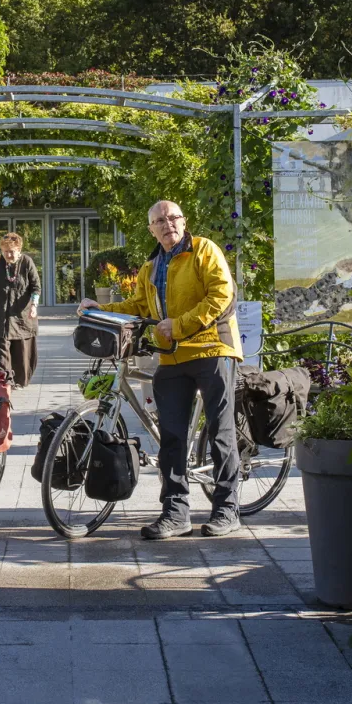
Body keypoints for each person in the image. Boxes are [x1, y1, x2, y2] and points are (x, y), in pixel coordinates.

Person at [78, 200, 243, 539]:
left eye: (173, 217)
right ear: (151, 229)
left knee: (220, 433)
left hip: (213, 348)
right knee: (171, 438)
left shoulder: (204, 251)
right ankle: (175, 513)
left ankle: (227, 511)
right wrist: (102, 308)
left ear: (184, 220)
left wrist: (179, 326)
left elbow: (221, 295)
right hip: (171, 355)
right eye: (159, 220)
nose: (168, 224)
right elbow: (138, 306)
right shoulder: (150, 266)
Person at [0, 232, 41, 388]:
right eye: (5, 251)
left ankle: (19, 381)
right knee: (1, 351)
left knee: (21, 351)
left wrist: (34, 306)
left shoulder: (27, 262)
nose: (8, 254)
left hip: (22, 315)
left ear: (19, 250)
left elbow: (36, 287)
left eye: (12, 251)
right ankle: (3, 382)